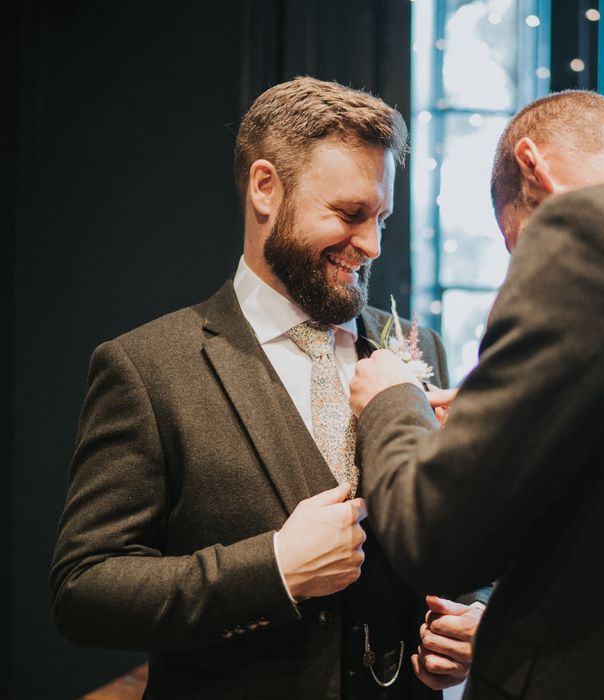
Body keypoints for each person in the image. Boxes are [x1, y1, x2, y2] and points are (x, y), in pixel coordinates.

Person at [51, 77, 486, 699]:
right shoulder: (147, 367)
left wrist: (467, 618)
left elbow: (454, 540)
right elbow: (84, 591)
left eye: (382, 217)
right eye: (349, 213)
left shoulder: (416, 349)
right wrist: (274, 569)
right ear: (265, 187)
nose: (372, 245)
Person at [349, 90, 604, 699]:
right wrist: (512, 411)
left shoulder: (590, 229)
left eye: (521, 247)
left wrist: (393, 399)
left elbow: (437, 538)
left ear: (533, 167)